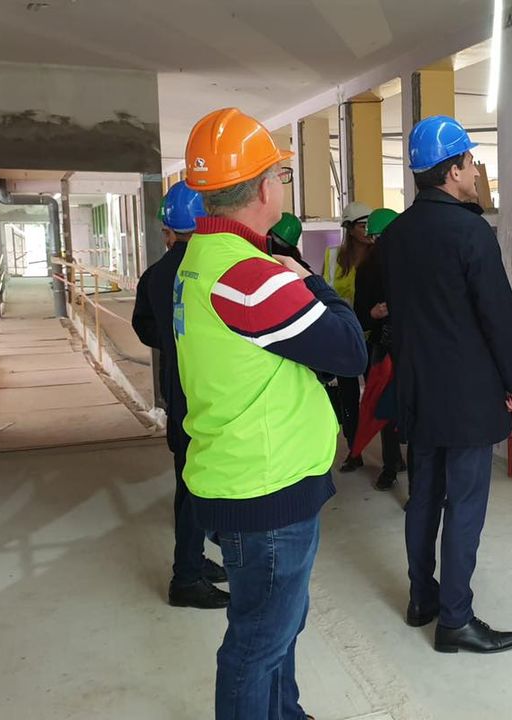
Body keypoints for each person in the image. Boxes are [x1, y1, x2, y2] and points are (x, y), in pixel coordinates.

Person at [177, 107, 367, 719]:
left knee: (276, 628)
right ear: (264, 188)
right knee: (257, 644)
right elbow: (350, 349)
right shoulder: (249, 277)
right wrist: (309, 279)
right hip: (265, 486)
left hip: (244, 473)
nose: (282, 184)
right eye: (281, 175)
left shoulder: (202, 258)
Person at [380, 115, 512, 654]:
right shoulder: (470, 232)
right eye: (471, 161)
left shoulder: (395, 235)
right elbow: (497, 315)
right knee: (464, 504)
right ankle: (456, 620)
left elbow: (398, 316)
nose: (476, 171)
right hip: (467, 397)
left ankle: (422, 599)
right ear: (452, 170)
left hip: (418, 392)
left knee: (424, 496)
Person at [131, 181, 229, 610]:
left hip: (178, 390)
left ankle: (192, 557)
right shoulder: (214, 267)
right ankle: (186, 577)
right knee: (198, 485)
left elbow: (143, 326)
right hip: (209, 392)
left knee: (188, 481)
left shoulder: (157, 273)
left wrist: (175, 343)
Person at [352, 207, 404, 491]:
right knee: (388, 407)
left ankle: (393, 466)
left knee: (390, 408)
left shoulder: (411, 263)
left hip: (400, 347)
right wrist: (373, 313)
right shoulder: (369, 269)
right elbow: (361, 313)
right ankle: (393, 465)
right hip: (389, 348)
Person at [324, 201, 374, 473]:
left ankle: (392, 456)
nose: (367, 230)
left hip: (371, 334)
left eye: (369, 225)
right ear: (349, 228)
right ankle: (354, 451)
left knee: (375, 394)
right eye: (361, 225)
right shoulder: (333, 257)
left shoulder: (379, 255)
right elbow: (326, 292)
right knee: (348, 395)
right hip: (344, 335)